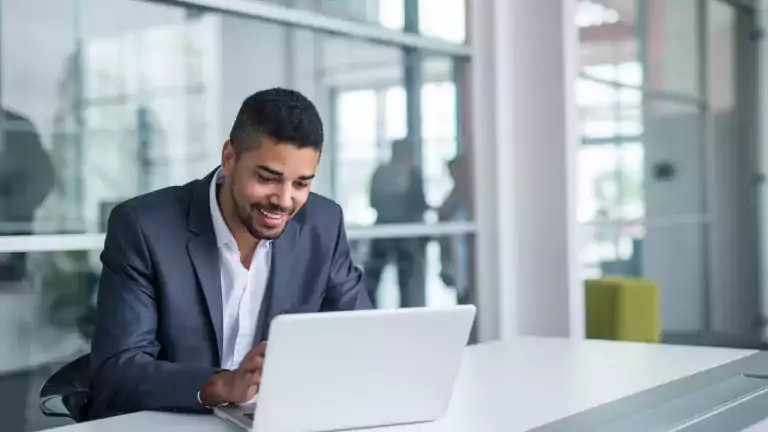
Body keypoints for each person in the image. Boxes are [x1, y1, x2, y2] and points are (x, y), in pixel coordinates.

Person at [89, 88, 372, 419]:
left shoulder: (322, 224)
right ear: (229, 158)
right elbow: (118, 371)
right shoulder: (145, 227)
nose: (283, 200)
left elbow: (361, 336)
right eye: (268, 178)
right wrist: (222, 385)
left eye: (301, 184)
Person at [365, 138, 429, 307]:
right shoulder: (412, 174)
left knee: (376, 278)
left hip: (387, 232)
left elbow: (373, 202)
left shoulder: (381, 172)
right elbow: (419, 204)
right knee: (404, 279)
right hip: (402, 235)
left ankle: (370, 313)